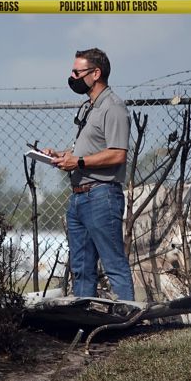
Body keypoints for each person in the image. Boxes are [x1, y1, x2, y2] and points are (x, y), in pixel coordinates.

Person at [42, 48, 135, 301]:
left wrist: (79, 162)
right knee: (82, 269)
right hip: (79, 198)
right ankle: (85, 322)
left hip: (101, 195)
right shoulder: (89, 108)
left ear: (96, 73)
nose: (72, 77)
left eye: (77, 72)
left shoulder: (112, 107)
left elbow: (117, 154)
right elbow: (87, 149)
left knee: (114, 264)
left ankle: (129, 321)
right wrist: (62, 156)